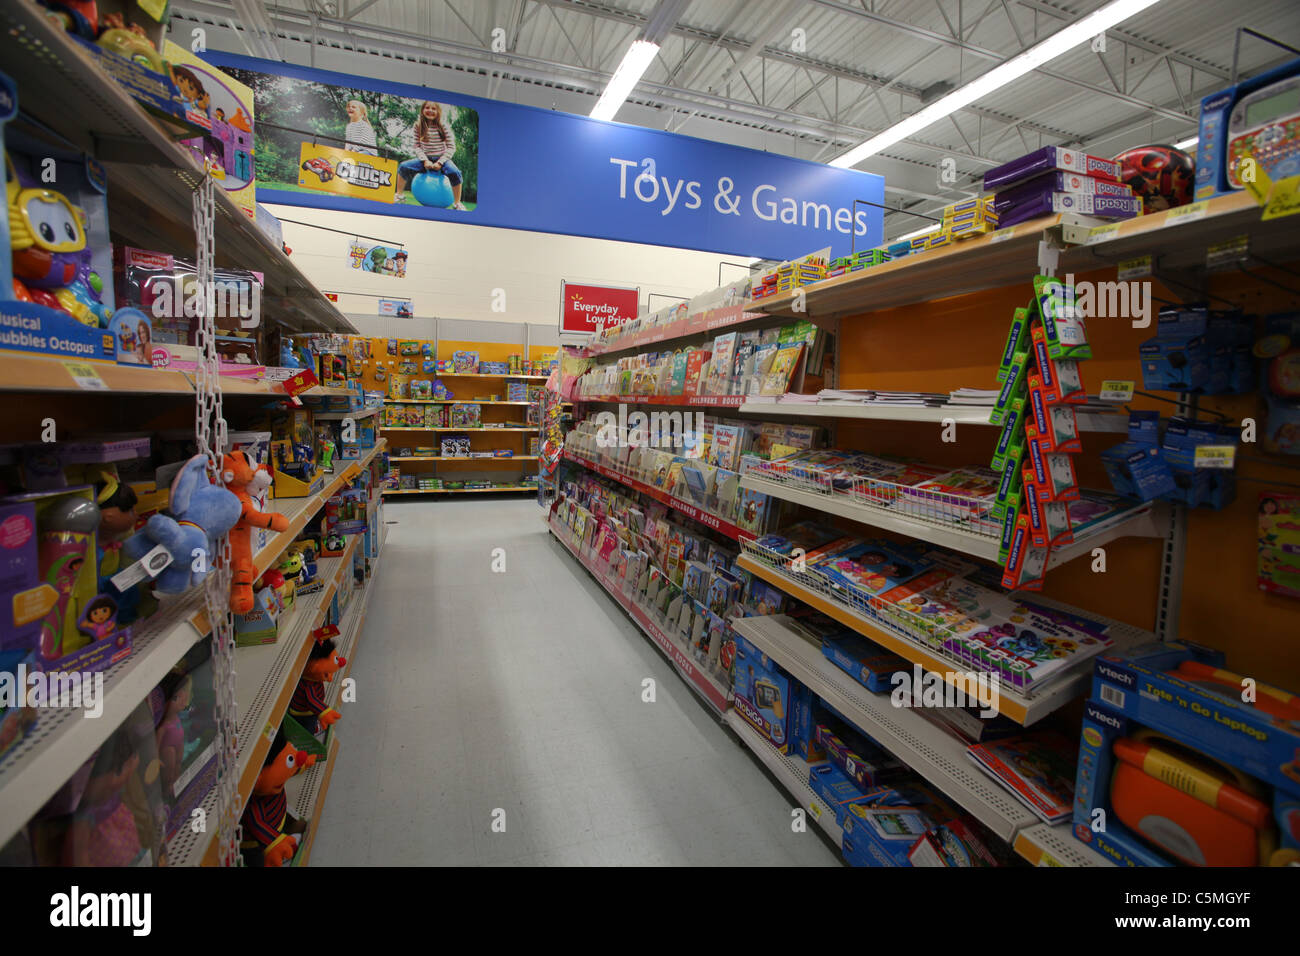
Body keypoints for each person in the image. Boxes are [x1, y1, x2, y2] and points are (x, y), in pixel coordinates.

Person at [395, 101, 467, 210]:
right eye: (427, 108)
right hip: (425, 159)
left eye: (433, 109)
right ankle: (399, 195)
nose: (430, 110)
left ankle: (457, 203)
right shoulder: (418, 125)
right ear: (422, 110)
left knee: (455, 172)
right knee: (403, 166)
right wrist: (424, 160)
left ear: (438, 111)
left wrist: (440, 162)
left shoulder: (443, 126)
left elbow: (451, 147)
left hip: (442, 158)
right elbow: (416, 146)